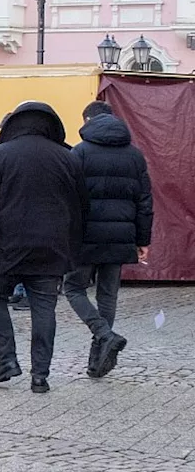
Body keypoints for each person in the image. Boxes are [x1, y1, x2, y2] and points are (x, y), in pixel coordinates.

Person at [0, 101, 88, 394]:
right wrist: (71, 244)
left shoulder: (1, 154)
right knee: (44, 308)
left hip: (3, 245)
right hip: (50, 248)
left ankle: (7, 360)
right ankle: (40, 375)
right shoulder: (67, 156)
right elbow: (81, 208)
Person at [65, 101, 152, 378]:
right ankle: (98, 359)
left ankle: (104, 334)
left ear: (87, 120)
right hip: (121, 235)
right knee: (108, 294)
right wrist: (142, 239)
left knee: (73, 288)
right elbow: (144, 202)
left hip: (86, 235)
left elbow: (69, 200)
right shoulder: (135, 156)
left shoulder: (79, 153)